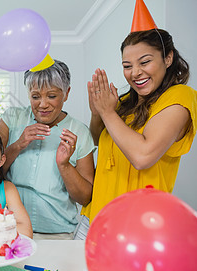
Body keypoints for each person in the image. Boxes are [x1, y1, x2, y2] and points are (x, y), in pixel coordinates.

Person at [82, 28, 197, 222]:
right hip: (95, 217)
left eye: (145, 62)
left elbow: (142, 156)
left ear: (168, 58)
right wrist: (97, 113)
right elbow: (100, 140)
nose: (135, 73)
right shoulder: (125, 101)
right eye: (127, 66)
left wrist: (108, 113)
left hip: (137, 224)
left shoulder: (181, 96)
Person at [0, 60, 95, 240]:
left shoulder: (79, 131)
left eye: (51, 96)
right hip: (11, 228)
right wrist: (18, 144)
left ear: (66, 94)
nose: (42, 104)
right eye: (35, 96)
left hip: (59, 234)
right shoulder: (12, 118)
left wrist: (64, 165)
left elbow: (85, 198)